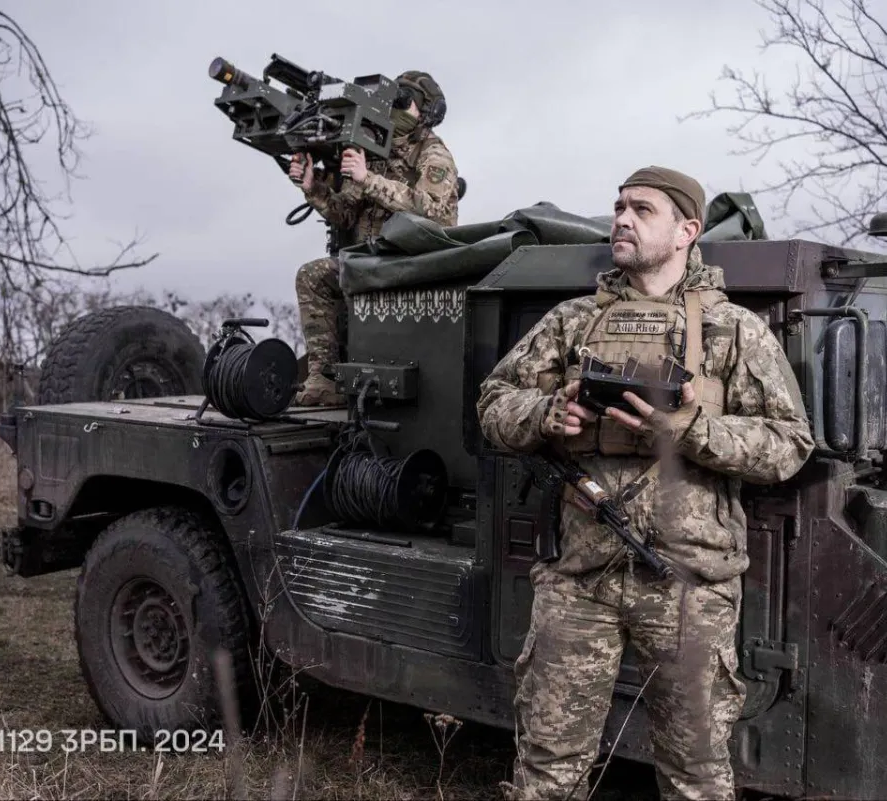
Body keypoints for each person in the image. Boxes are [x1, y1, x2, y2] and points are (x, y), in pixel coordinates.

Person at [476, 165, 815, 800]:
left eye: (642, 210)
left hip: (689, 587)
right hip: (578, 579)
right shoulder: (572, 322)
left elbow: (789, 445)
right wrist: (547, 413)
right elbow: (492, 403)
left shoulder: (734, 330)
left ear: (687, 231)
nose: (622, 220)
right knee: (548, 767)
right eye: (619, 208)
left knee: (695, 777)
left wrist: (690, 429)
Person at [289, 70, 461, 406]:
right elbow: (345, 213)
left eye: (406, 100)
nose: (396, 107)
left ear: (427, 112)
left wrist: (368, 178)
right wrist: (313, 187)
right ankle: (325, 379)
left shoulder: (433, 153)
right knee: (312, 275)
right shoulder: (373, 147)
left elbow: (434, 212)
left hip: (411, 262)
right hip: (368, 260)